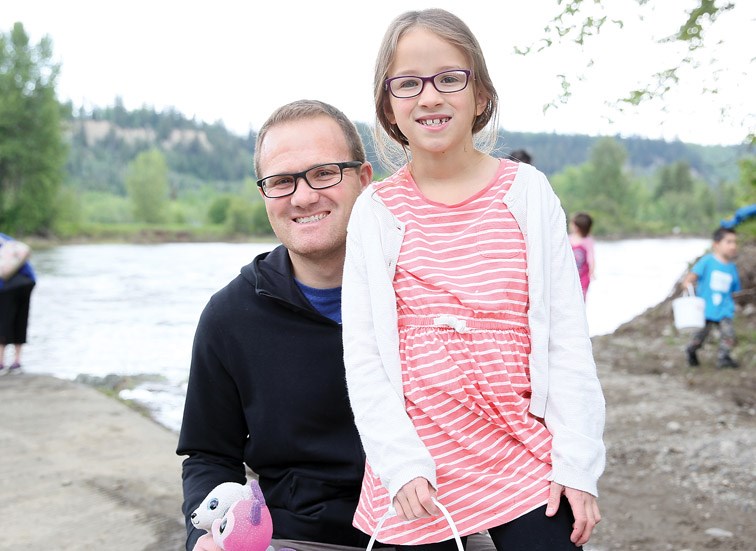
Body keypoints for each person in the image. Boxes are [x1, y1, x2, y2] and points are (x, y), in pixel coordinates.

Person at [176, 100, 495, 551]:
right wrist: (202, 538)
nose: (303, 197)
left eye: (323, 173)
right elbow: (210, 454)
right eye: (281, 181)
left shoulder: (433, 290)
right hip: (296, 536)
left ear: (365, 180)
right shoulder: (230, 317)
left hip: (437, 527)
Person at [342, 8, 605, 550]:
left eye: (450, 78)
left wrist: (578, 465)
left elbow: (567, 342)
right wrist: (399, 464)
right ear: (389, 105)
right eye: (408, 83)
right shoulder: (375, 211)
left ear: (480, 94)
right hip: (418, 467)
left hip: (523, 457)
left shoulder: (528, 193)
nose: (430, 96)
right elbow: (364, 356)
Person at [683, 227, 741, 369]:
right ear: (716, 244)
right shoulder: (707, 261)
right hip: (705, 308)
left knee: (728, 334)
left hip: (724, 309)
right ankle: (691, 350)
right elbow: (690, 278)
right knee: (700, 336)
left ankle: (723, 358)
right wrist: (688, 287)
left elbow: (735, 289)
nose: (733, 246)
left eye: (735, 242)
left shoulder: (732, 267)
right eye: (728, 242)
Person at [0, 233, 36, 375]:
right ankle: (17, 362)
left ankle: (1, 363)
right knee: (21, 319)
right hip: (28, 280)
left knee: (2, 321)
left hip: (6, 286)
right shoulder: (4, 238)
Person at [568, 212, 596, 299]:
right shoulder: (569, 239)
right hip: (570, 275)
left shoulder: (588, 241)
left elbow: (591, 258)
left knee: (581, 298)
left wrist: (592, 272)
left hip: (583, 276)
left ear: (576, 226)